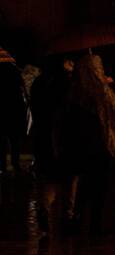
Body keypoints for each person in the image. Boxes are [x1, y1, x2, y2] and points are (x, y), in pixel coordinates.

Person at [60, 55, 115, 237]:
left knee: (83, 186)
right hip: (100, 147)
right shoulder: (104, 92)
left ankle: (79, 219)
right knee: (99, 186)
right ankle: (95, 224)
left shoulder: (73, 92)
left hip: (80, 147)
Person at [28, 58, 72, 234]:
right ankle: (67, 215)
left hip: (43, 138)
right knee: (68, 179)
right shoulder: (67, 84)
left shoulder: (39, 83)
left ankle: (45, 208)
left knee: (47, 179)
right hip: (63, 139)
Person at [0, 47, 28, 179]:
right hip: (14, 111)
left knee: (2, 140)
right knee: (14, 139)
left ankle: (2, 166)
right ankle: (15, 164)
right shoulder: (15, 72)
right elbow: (23, 93)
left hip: (3, 111)